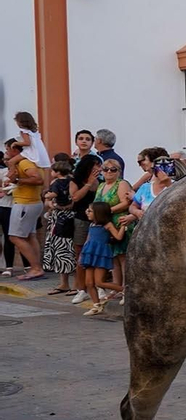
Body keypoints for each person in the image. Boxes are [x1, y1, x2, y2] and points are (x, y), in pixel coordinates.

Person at [2, 138, 45, 280]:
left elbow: (38, 179)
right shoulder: (31, 161)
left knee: (15, 237)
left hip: (25, 204)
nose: (6, 152)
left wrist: (17, 181)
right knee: (30, 236)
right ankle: (36, 267)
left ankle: (36, 268)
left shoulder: (24, 162)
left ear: (15, 150)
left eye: (7, 149)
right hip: (31, 202)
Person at [66, 129, 101, 304]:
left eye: (88, 139)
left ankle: (98, 286)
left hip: (97, 216)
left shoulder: (98, 166)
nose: (84, 141)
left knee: (98, 252)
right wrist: (87, 183)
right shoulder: (75, 172)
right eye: (81, 138)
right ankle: (81, 288)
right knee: (80, 252)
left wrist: (93, 182)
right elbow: (75, 196)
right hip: (81, 215)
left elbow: (98, 189)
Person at [93, 155, 134, 299]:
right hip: (105, 223)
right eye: (106, 169)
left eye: (113, 169)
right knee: (113, 257)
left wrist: (108, 211)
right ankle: (116, 287)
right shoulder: (101, 186)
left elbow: (125, 202)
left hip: (119, 221)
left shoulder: (121, 184)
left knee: (123, 256)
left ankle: (126, 288)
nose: (109, 172)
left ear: (119, 171)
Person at [78, 200, 125, 316]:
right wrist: (82, 254)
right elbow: (88, 240)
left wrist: (123, 226)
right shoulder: (92, 225)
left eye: (90, 211)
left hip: (101, 254)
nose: (87, 212)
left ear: (98, 213)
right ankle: (96, 305)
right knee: (89, 283)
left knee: (99, 282)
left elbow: (118, 237)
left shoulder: (107, 225)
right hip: (90, 254)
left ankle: (124, 290)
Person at [42, 159, 76, 293]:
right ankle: (64, 283)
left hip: (60, 218)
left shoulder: (56, 183)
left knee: (63, 248)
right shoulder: (71, 181)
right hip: (65, 215)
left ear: (57, 172)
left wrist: (48, 198)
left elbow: (51, 197)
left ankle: (71, 284)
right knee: (63, 249)